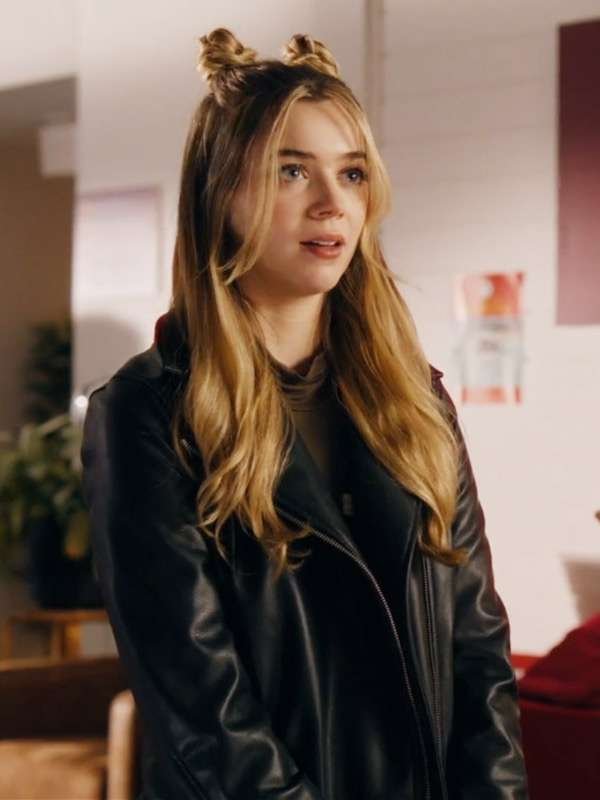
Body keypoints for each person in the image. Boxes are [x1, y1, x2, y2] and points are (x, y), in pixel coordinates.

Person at [80, 27, 529, 800]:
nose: (332, 204)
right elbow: (205, 713)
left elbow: (479, 651)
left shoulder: (416, 400)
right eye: (291, 171)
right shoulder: (144, 413)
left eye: (351, 173)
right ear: (221, 193)